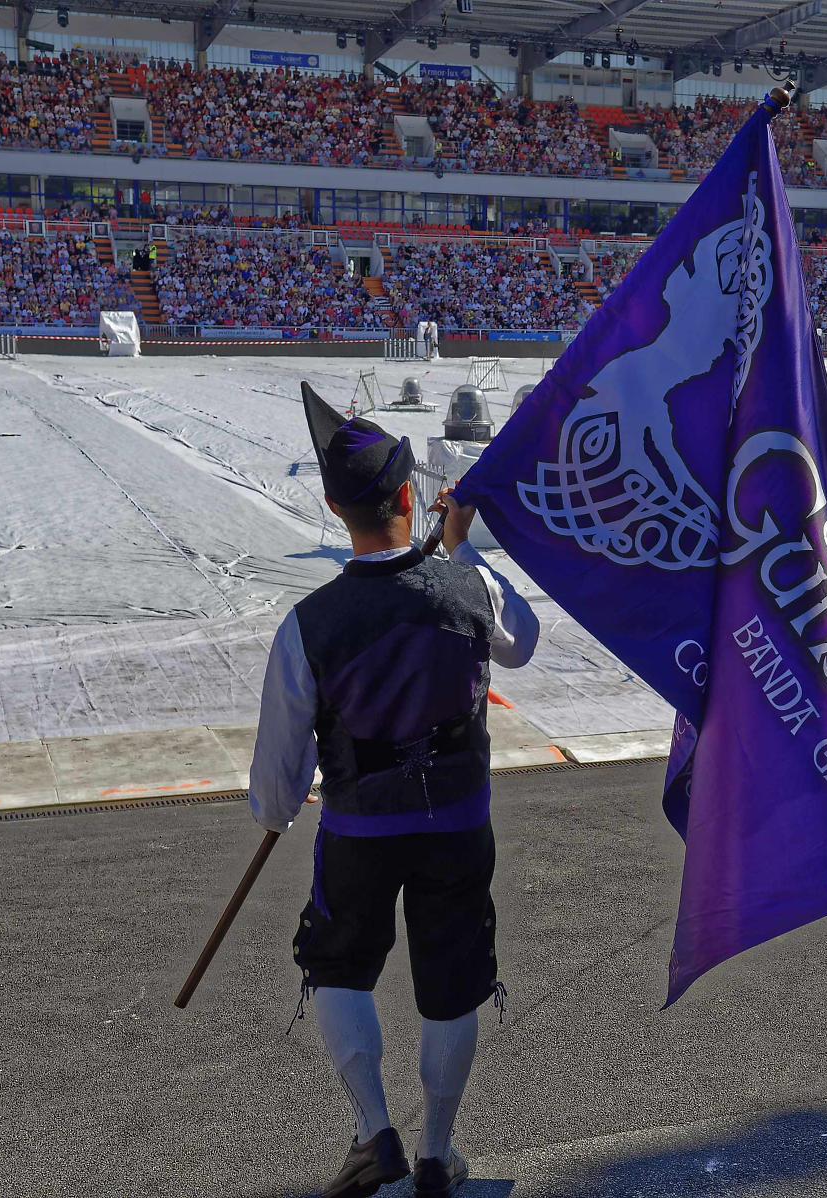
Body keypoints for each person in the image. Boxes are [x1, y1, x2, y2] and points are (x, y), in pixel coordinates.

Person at [248, 383, 539, 1198]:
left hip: (360, 832)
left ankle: (376, 1134)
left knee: (338, 969)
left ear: (336, 510)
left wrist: (276, 809)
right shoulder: (469, 589)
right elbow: (522, 643)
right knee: (452, 979)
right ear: (409, 496)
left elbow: (277, 785)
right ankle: (437, 1153)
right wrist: (463, 550)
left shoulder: (306, 625)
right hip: (458, 826)